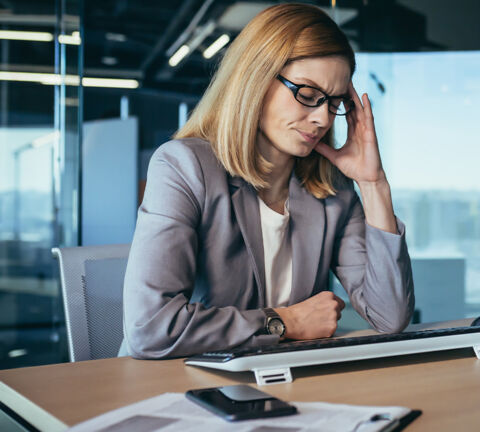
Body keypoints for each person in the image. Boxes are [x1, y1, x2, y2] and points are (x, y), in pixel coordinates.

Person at [119, 3, 414, 359]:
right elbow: (150, 329)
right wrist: (284, 323)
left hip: (280, 384)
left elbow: (390, 316)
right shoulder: (184, 166)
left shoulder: (332, 188)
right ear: (256, 79)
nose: (322, 118)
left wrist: (373, 184)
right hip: (176, 387)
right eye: (307, 94)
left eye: (334, 102)